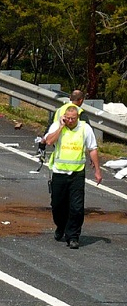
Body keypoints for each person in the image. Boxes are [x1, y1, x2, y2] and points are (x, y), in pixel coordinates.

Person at [42, 105, 102, 249]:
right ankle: (61, 226)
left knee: (76, 207)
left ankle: (73, 236)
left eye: (73, 118)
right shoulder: (58, 126)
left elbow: (92, 149)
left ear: (77, 118)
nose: (70, 121)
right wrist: (61, 127)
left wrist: (97, 171)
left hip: (77, 173)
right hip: (59, 173)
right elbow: (49, 141)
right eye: (67, 118)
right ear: (64, 117)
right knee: (57, 206)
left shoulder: (84, 128)